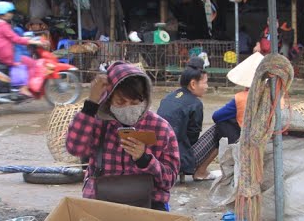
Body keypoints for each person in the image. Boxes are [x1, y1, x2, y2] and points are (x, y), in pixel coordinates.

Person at [66, 61, 180, 210]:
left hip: (148, 204)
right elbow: (75, 148)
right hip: (102, 201)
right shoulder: (97, 123)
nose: (128, 107)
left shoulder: (161, 128)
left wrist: (144, 159)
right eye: (120, 102)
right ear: (109, 101)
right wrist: (91, 103)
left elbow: (169, 180)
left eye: (135, 102)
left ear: (144, 100)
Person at [189, 51, 264, 179]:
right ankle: (201, 171)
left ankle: (201, 170)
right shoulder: (273, 96)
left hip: (246, 138)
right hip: (264, 135)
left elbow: (217, 116)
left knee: (221, 125)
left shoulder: (241, 98)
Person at [157, 57, 209, 181]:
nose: (207, 86)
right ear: (193, 84)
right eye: (205, 82)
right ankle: (200, 171)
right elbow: (193, 136)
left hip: (158, 153)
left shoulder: (169, 96)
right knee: (219, 130)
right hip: (178, 156)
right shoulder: (195, 104)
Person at [0, 1, 46, 97]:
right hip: (5, 54)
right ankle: (23, 88)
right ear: (4, 13)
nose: (11, 14)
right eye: (10, 12)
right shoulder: (2, 25)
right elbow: (15, 39)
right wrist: (33, 41)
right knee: (32, 63)